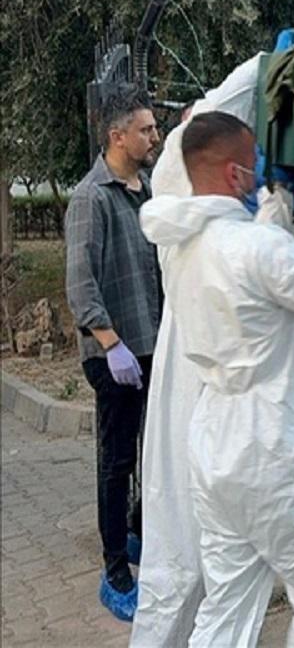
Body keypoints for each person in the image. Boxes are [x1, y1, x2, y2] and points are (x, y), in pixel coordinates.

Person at [139, 112, 294, 647]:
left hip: (214, 444)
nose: (262, 170)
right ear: (234, 175)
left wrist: (278, 202)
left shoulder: (180, 246)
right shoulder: (253, 249)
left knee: (228, 602)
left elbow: (253, 256)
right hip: (270, 445)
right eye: (256, 164)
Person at [131, 53, 294, 647]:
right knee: (208, 566)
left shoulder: (181, 220)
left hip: (197, 401)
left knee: (186, 560)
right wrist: (276, 57)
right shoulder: (215, 229)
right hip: (222, 403)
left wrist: (279, 204)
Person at [64, 83, 163, 622]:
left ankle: (134, 532)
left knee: (156, 453)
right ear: (116, 134)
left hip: (150, 344)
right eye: (145, 129)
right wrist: (111, 345)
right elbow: (80, 284)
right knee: (117, 459)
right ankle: (115, 572)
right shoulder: (91, 198)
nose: (154, 137)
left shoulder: (145, 191)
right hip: (115, 354)